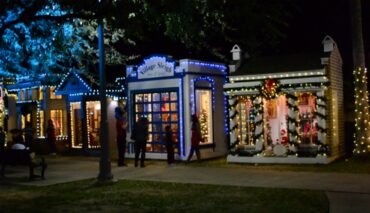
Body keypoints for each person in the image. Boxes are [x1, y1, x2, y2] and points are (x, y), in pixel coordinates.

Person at [115, 100, 128, 167]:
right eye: (125, 114)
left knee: (121, 150)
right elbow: (123, 127)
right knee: (121, 150)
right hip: (121, 137)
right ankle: (121, 163)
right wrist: (127, 123)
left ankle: (121, 162)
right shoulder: (120, 120)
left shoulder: (120, 120)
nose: (126, 115)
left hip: (121, 136)